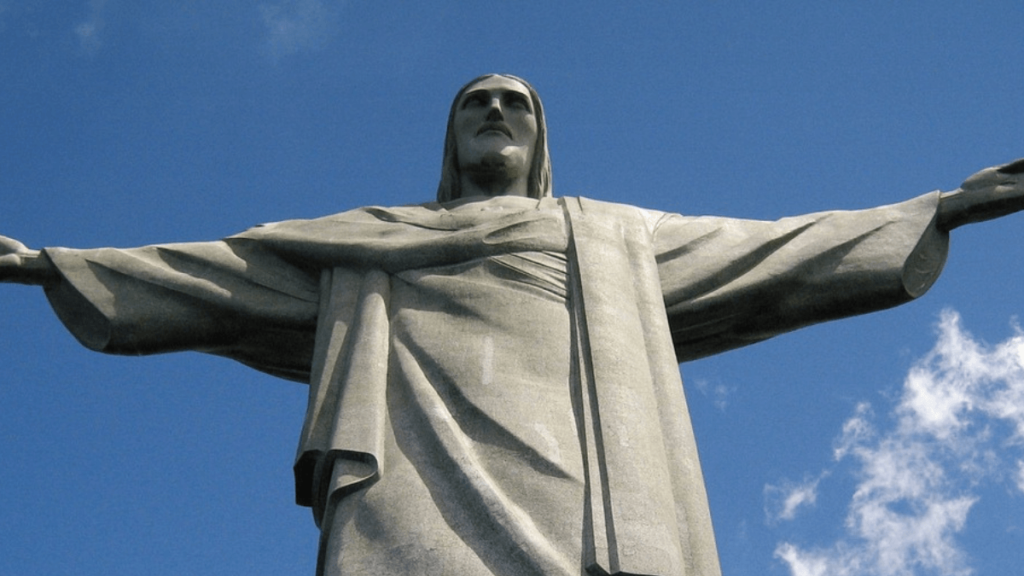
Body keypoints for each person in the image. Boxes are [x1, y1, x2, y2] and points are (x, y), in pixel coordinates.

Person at [1, 74, 1022, 576]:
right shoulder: (364, 243)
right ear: (449, 138)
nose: (495, 112)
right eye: (476, 103)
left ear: (540, 139)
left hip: (586, 483)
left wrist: (934, 209)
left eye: (516, 104)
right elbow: (216, 274)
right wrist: (53, 264)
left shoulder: (610, 237)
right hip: (411, 477)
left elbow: (771, 253)